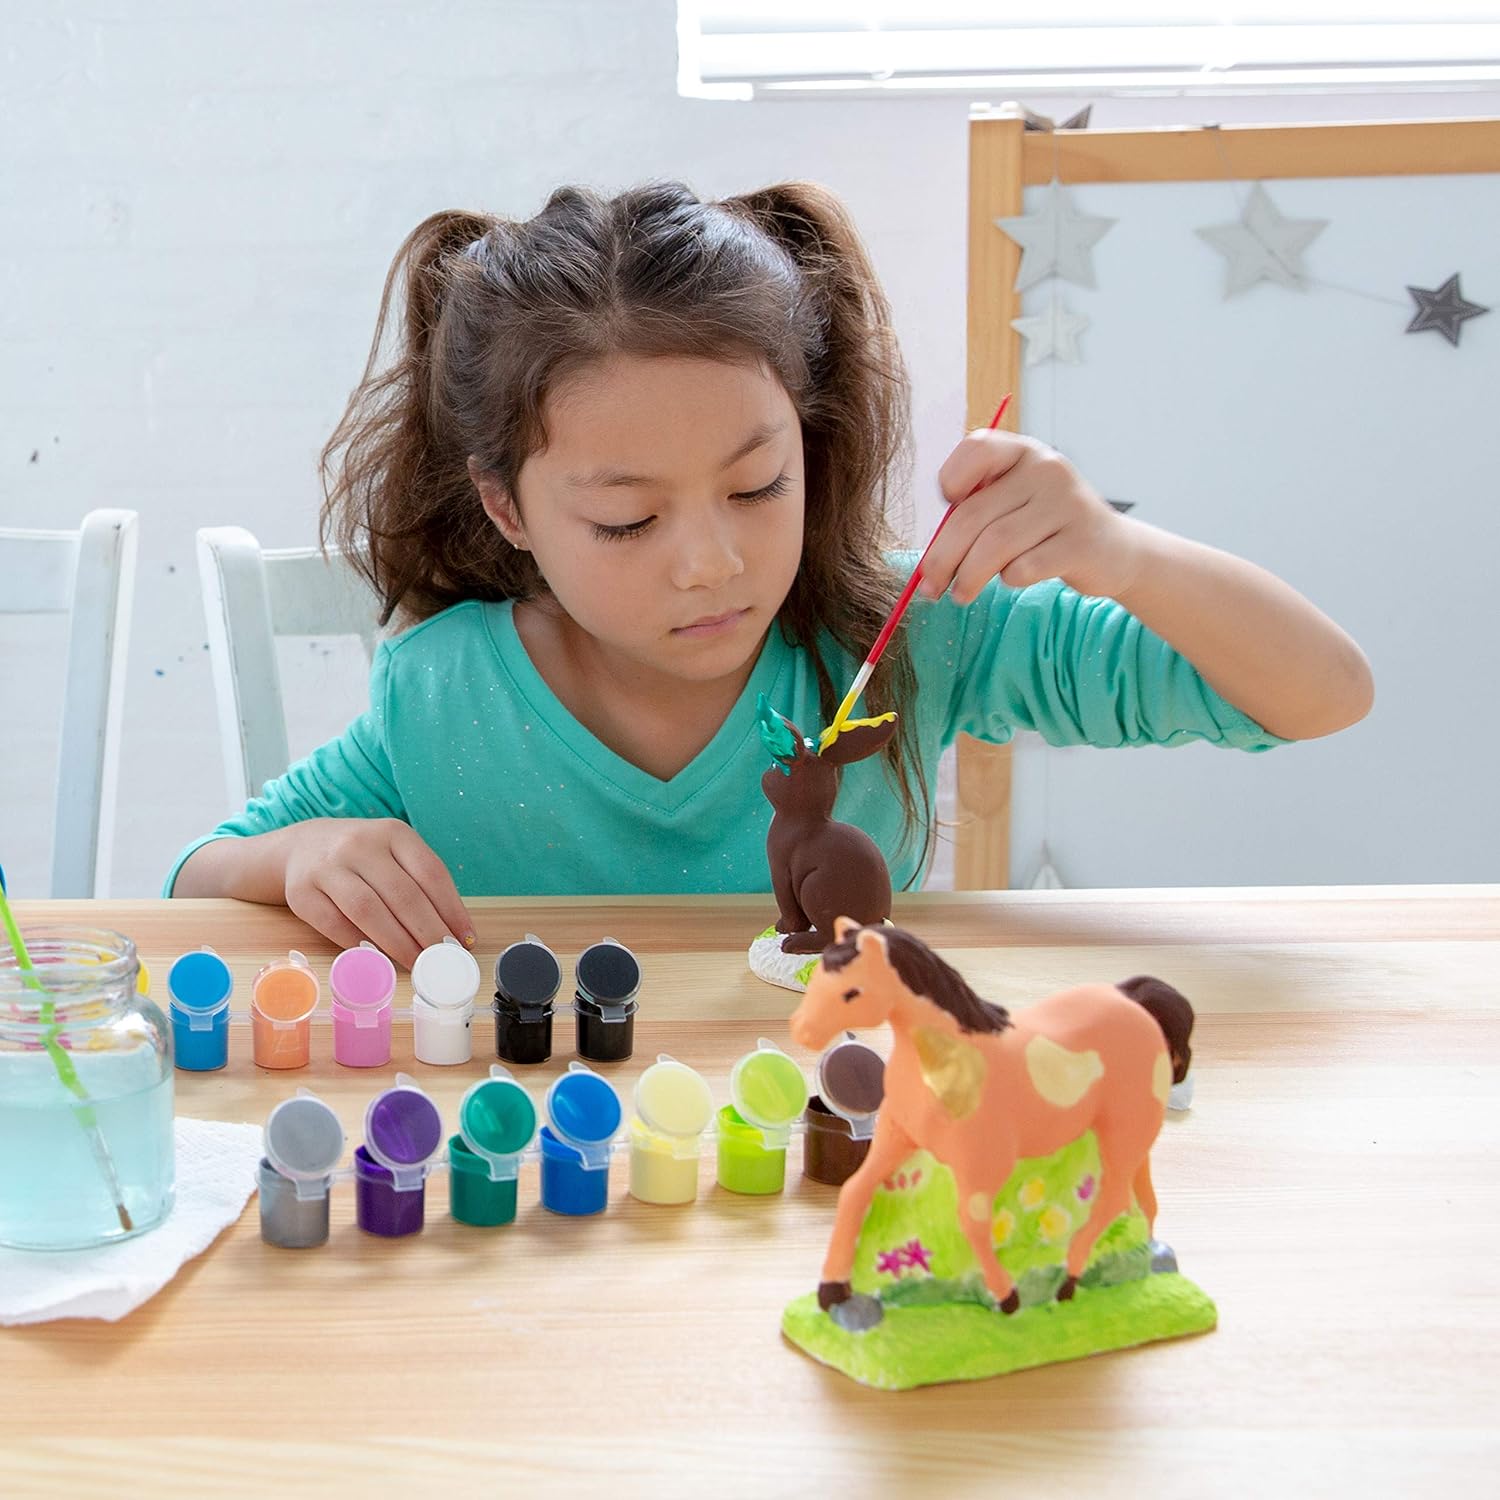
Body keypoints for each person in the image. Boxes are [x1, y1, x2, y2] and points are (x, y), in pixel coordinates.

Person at [168, 181, 1373, 967]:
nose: (712, 563)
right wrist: (301, 854)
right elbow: (194, 883)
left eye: (757, 488)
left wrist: (1119, 552)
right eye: (627, 520)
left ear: (810, 441)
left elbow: (1321, 695)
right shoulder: (443, 694)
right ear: (507, 507)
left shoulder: (909, 631)